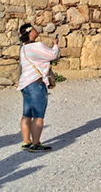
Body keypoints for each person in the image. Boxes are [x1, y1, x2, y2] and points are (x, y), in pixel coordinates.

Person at [16, 23, 58, 151]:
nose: (36, 30)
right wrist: (55, 45)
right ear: (30, 33)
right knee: (38, 116)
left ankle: (26, 142)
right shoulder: (37, 46)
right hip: (36, 83)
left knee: (26, 114)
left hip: (25, 83)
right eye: (33, 29)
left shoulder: (23, 48)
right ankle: (36, 143)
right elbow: (52, 55)